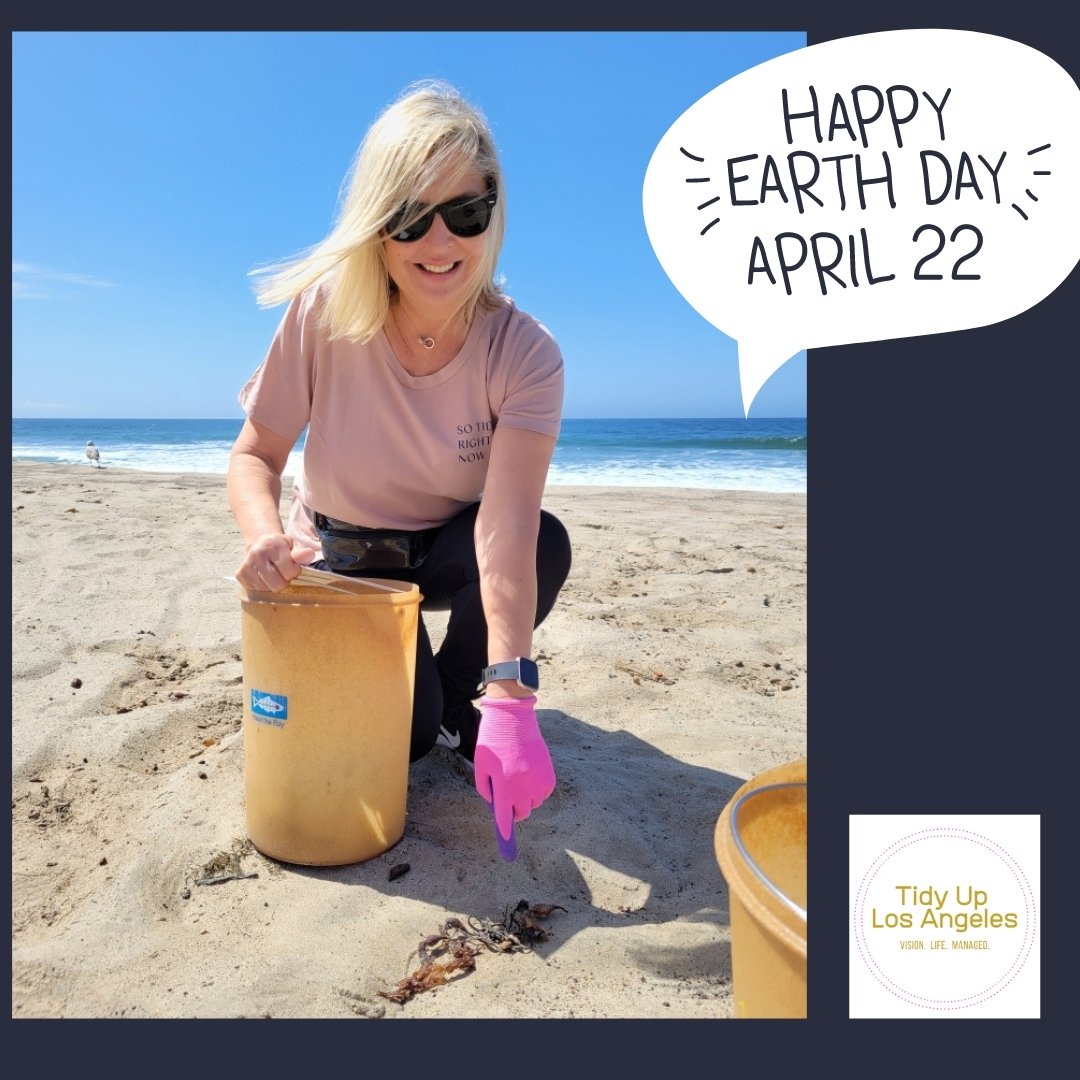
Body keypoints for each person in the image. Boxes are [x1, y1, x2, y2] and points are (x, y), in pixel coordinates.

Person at [227, 80, 571, 849]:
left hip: (450, 546)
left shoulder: (526, 353)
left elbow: (507, 525)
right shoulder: (323, 313)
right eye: (411, 218)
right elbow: (256, 453)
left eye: (466, 213)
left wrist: (512, 699)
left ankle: (460, 695)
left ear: (495, 213)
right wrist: (260, 537)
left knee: (546, 538)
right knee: (407, 746)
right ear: (377, 226)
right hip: (349, 558)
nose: (440, 243)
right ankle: (426, 712)